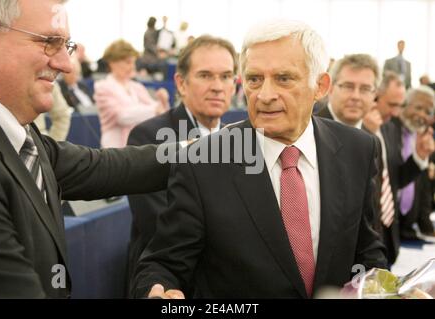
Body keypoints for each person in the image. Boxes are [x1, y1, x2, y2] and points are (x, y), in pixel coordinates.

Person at [132, 19, 387, 299]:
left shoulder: (357, 149)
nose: (264, 95)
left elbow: (366, 250)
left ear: (320, 85)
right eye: (254, 79)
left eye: (283, 78)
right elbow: (164, 265)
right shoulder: (201, 161)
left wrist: (382, 290)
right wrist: (158, 291)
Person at [0, 0, 170, 298]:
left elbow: (110, 167)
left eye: (65, 45)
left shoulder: (22, 137)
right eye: (48, 42)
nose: (66, 64)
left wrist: (212, 149)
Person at [126, 35, 237, 290]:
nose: (218, 86)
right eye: (206, 75)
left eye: (226, 76)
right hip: (169, 285)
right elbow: (161, 227)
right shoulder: (149, 136)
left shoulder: (240, 141)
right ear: (181, 83)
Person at [365, 72, 431, 264]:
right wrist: (364, 132)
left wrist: (419, 156)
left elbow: (393, 180)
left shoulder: (389, 128)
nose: (396, 113)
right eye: (392, 105)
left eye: (399, 106)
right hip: (364, 244)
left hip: (388, 241)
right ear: (375, 97)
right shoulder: (364, 127)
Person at [94, 39, 169, 148]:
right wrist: (156, 109)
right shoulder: (103, 87)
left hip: (136, 149)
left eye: (133, 62)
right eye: (128, 62)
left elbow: (158, 113)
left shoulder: (137, 87)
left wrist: (163, 102)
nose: (133, 67)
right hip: (114, 151)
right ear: (112, 62)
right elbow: (122, 116)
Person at [396, 86, 435, 240]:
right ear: (404, 104)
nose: (421, 115)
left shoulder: (425, 141)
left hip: (408, 231)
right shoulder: (387, 131)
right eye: (418, 107)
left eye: (428, 112)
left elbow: (424, 188)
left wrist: (426, 227)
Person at [317, 54, 379, 129]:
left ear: (374, 94)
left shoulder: (372, 138)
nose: (356, 96)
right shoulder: (309, 131)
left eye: (365, 89)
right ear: (330, 89)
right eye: (348, 87)